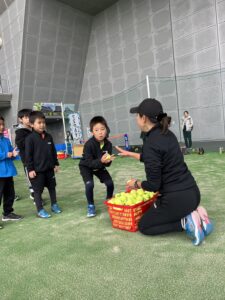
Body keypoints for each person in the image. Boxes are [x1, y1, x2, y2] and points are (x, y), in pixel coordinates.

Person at [116, 98, 213, 246]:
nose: (136, 119)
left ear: (144, 118)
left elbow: (154, 185)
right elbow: (158, 158)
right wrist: (130, 154)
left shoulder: (151, 143)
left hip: (176, 200)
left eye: (137, 115)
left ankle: (184, 222)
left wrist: (136, 183)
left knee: (145, 226)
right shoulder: (167, 134)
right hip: (193, 193)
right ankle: (197, 215)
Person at [25, 111, 62, 218]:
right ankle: (40, 210)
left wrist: (56, 164)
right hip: (37, 171)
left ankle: (54, 205)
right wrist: (30, 169)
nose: (42, 125)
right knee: (38, 191)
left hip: (49, 169)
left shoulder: (49, 137)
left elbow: (53, 151)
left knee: (52, 187)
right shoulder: (30, 139)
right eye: (39, 122)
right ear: (32, 124)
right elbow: (28, 156)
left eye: (43, 122)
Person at [79, 116, 114, 217]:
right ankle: (91, 205)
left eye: (102, 129)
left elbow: (107, 164)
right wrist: (101, 160)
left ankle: (109, 199)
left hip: (99, 165)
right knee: (89, 184)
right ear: (92, 132)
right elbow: (89, 162)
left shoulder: (108, 144)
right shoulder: (89, 144)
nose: (100, 132)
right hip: (86, 166)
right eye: (96, 130)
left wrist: (108, 161)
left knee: (110, 183)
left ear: (106, 130)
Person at [0, 116, 23, 227]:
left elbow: (11, 154)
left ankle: (8, 213)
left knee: (10, 194)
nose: (2, 127)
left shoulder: (6, 139)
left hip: (8, 172)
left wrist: (14, 154)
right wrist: (7, 154)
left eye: (3, 124)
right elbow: (6, 154)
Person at [15, 108, 34, 202]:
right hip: (27, 161)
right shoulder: (19, 132)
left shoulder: (33, 130)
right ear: (20, 119)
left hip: (37, 159)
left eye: (30, 117)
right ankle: (34, 194)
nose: (28, 119)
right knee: (31, 178)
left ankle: (36, 193)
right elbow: (21, 145)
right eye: (26, 117)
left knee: (38, 178)